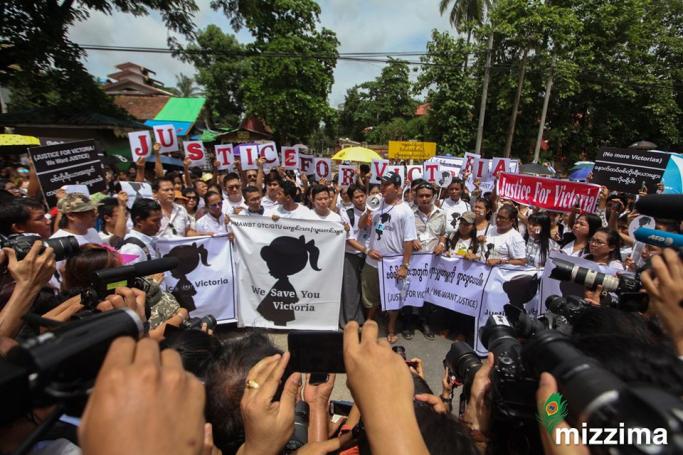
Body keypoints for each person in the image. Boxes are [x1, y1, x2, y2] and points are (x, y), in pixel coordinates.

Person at [361, 171, 416, 344]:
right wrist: (368, 211)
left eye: (387, 184)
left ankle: (391, 326)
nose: (382, 188)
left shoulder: (405, 211)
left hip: (393, 263)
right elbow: (362, 226)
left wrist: (404, 265)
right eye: (382, 184)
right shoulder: (375, 204)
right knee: (370, 296)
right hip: (372, 261)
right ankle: (370, 323)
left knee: (393, 297)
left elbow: (408, 241)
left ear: (398, 188)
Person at [406, 181, 446, 340]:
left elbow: (443, 233)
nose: (424, 198)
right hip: (413, 261)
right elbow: (402, 234)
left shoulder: (441, 214)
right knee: (409, 291)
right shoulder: (409, 213)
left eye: (427, 196)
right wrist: (411, 239)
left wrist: (442, 243)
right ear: (415, 197)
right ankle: (408, 323)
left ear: (433, 197)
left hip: (431, 263)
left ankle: (424, 322)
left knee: (427, 293)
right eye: (421, 195)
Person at [339, 184, 371, 327]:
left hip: (370, 256)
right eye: (356, 197)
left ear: (366, 195)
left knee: (365, 289)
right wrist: (366, 250)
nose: (360, 200)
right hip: (352, 255)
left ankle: (362, 318)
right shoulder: (346, 213)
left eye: (362, 196)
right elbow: (350, 240)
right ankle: (349, 321)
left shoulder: (374, 210)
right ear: (351, 199)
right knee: (350, 289)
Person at [119, 198, 162, 264]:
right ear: (138, 221)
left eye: (160, 220)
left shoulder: (153, 241)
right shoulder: (131, 249)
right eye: (155, 221)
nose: (159, 224)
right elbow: (126, 272)